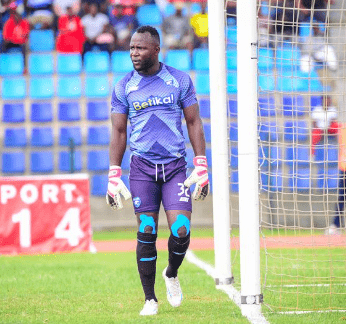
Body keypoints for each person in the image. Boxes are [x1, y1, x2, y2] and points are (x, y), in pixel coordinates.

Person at [106, 26, 209, 316]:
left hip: (175, 167)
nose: (134, 53)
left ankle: (172, 273)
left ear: (156, 49)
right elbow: (118, 130)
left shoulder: (178, 80)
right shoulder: (124, 86)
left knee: (181, 228)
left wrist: (201, 162)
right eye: (131, 48)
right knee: (147, 228)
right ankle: (150, 299)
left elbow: (193, 122)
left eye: (140, 48)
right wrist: (113, 173)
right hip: (142, 169)